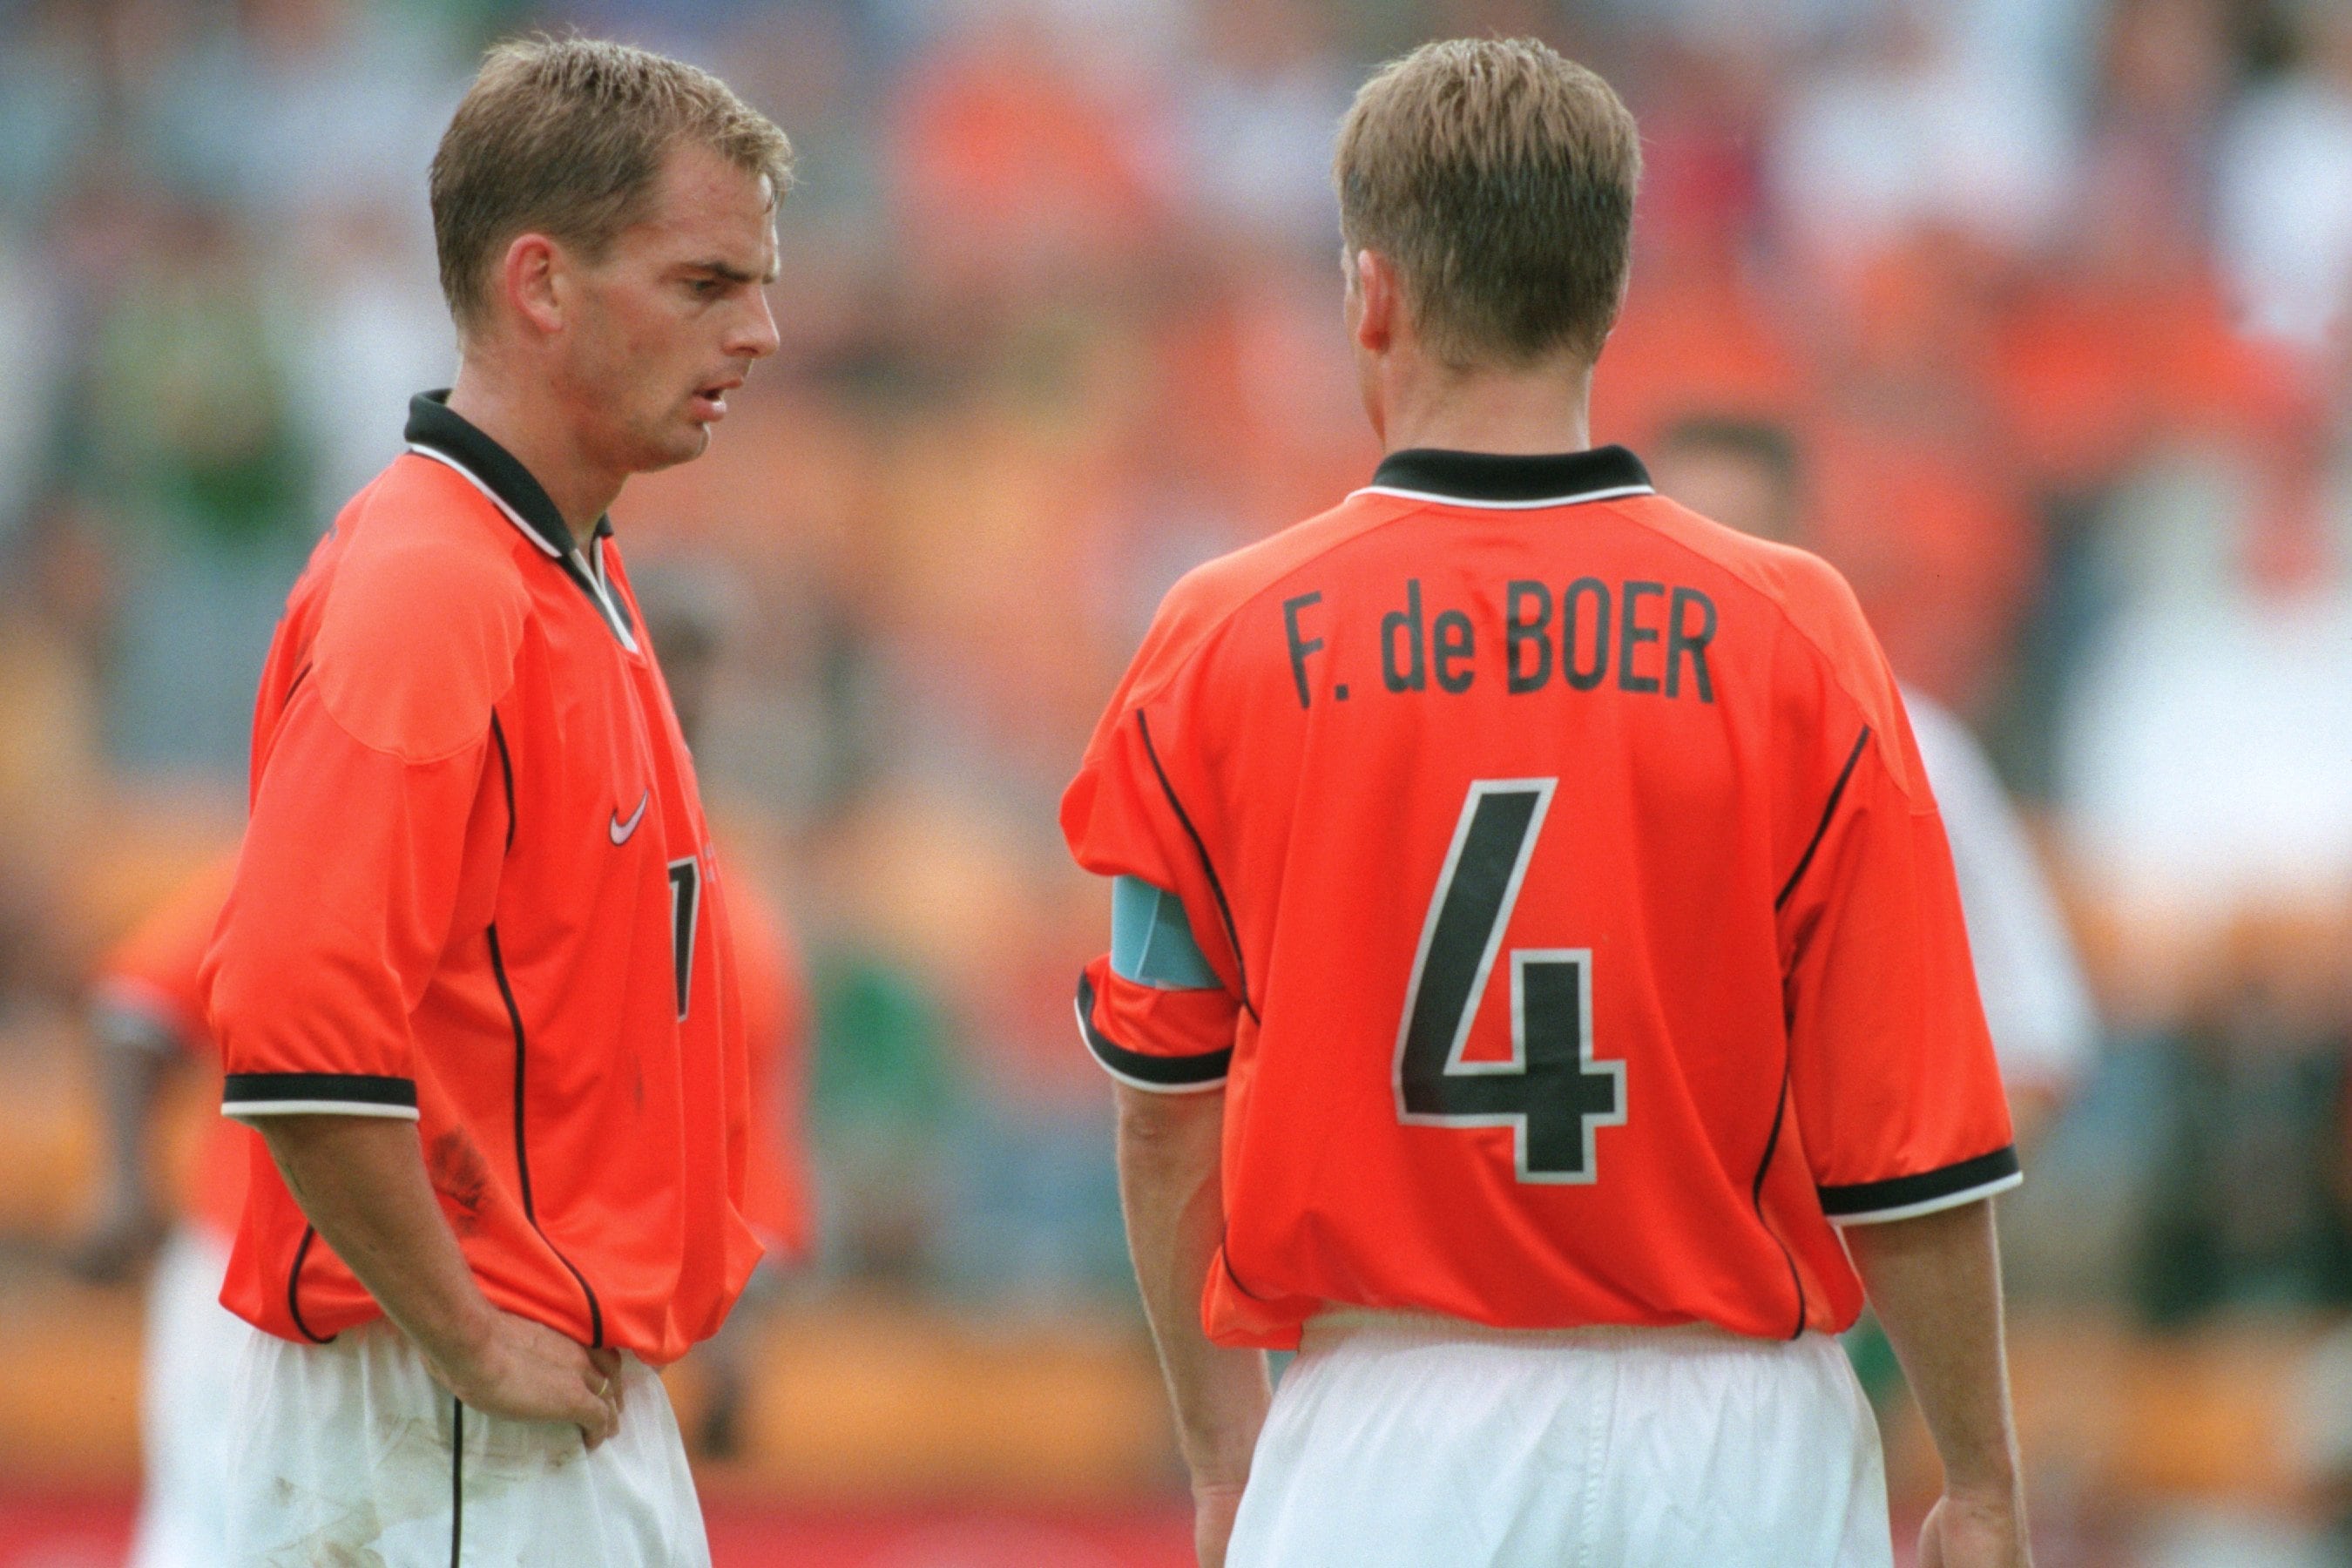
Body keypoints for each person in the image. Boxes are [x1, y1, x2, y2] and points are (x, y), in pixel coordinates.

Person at [1060, 38, 2031, 1568]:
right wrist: (1979, 1477)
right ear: (1608, 298)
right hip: (1740, 1437)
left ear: (1369, 293)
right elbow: (1906, 1143)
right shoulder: (1799, 631)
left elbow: (1159, 1111)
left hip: (1386, 1424)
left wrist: (1221, 1451)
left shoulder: (1217, 636)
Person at [199, 38, 788, 1565]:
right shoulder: (433, 585)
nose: (764, 330)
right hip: (453, 1428)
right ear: (541, 284)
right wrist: (466, 1338)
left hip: (527, 1413)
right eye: (706, 282)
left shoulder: (558, 564)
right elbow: (288, 1027)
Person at [1650, 413, 2099, 1151]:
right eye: (1677, 548)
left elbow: (2040, 1039)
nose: (1703, 582)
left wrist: (1903, 1219)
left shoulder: (1907, 748)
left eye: (1735, 543)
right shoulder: (1580, 747)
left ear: (1800, 551)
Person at [65, 854, 247, 1568]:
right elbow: (138, 1004)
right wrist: (124, 1180)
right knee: (215, 1530)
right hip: (245, 1276)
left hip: (454, 1285)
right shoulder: (335, 846)